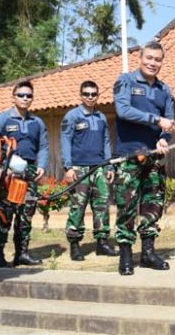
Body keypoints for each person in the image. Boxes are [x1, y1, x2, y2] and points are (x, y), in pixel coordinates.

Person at [113, 41, 175, 275]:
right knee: (127, 205)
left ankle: (148, 253)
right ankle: (126, 255)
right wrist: (156, 120)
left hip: (154, 158)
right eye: (149, 58)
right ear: (140, 58)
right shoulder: (125, 81)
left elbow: (169, 120)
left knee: (153, 204)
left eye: (157, 59)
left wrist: (164, 138)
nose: (152, 63)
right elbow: (123, 111)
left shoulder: (165, 90)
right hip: (129, 154)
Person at [0, 81, 48, 267]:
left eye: (29, 95)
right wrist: (8, 160)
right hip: (9, 173)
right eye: (21, 95)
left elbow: (43, 146)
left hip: (29, 173)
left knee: (26, 214)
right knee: (4, 213)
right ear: (13, 97)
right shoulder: (3, 119)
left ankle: (22, 253)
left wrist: (42, 166)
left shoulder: (37, 122)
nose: (25, 98)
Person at [60, 80, 117, 261]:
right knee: (78, 207)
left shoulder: (101, 117)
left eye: (93, 94)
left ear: (98, 95)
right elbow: (65, 141)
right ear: (81, 95)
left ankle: (102, 243)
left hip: (99, 167)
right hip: (79, 168)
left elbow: (106, 142)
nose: (90, 97)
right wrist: (68, 167)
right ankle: (75, 245)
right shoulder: (72, 116)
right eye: (86, 94)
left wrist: (109, 165)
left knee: (102, 206)